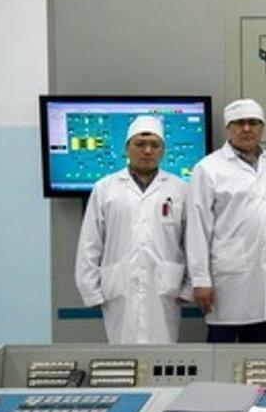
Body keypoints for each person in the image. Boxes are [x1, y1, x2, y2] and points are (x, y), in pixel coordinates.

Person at [75, 115, 190, 344]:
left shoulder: (180, 189)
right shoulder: (105, 188)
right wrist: (90, 289)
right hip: (119, 288)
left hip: (164, 288)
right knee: (123, 356)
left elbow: (191, 242)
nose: (147, 151)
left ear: (163, 151)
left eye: (154, 145)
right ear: (126, 148)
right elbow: (90, 242)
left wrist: (188, 287)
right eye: (140, 144)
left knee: (162, 355)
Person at [186, 98, 266, 343]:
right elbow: (197, 228)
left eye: (253, 122)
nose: (247, 129)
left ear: (262, 128)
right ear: (228, 128)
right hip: (226, 282)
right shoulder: (208, 168)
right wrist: (200, 280)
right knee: (221, 353)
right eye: (239, 123)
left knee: (255, 355)